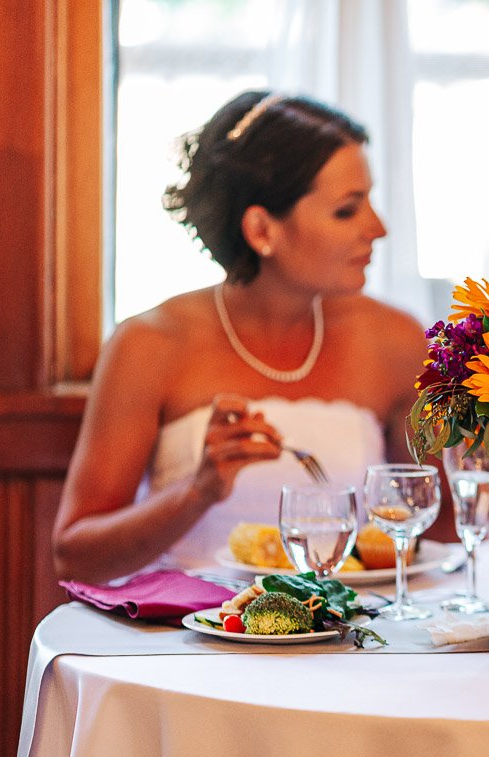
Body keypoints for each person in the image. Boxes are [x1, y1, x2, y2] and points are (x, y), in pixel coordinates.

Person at [53, 90, 429, 583]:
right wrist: (198, 492)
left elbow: (439, 532)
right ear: (261, 229)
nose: (377, 228)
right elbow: (75, 555)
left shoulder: (396, 341)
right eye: (347, 210)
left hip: (351, 637)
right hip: (185, 641)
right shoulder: (149, 344)